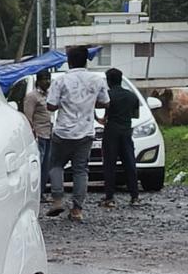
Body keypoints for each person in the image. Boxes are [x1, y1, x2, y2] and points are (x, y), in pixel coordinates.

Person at [44, 46, 107, 221]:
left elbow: (50, 105)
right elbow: (105, 103)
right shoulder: (97, 80)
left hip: (63, 131)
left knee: (56, 165)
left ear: (69, 61)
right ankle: (77, 210)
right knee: (80, 170)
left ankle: (57, 200)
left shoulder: (60, 81)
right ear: (86, 60)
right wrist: (88, 102)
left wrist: (65, 103)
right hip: (85, 132)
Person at [99, 65, 140, 209]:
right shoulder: (131, 95)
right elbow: (135, 115)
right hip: (126, 131)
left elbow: (104, 111)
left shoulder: (108, 95)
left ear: (109, 81)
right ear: (121, 80)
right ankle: (134, 196)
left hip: (111, 132)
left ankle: (110, 197)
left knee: (109, 165)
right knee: (129, 163)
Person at [20, 74, 54, 198]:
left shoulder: (49, 95)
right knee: (38, 165)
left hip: (49, 133)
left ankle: (41, 192)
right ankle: (34, 193)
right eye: (45, 79)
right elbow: (28, 115)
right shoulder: (32, 96)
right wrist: (32, 131)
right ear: (39, 81)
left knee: (46, 165)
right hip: (38, 134)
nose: (47, 82)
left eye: (49, 79)